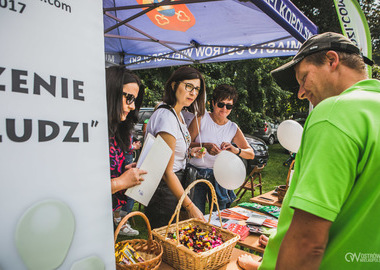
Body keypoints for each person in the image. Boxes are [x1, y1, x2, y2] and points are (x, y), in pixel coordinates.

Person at [238, 32, 379, 269]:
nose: (301, 92)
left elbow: (307, 243)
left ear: (332, 60)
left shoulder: (334, 112)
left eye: (304, 78)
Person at [145, 66, 207, 229]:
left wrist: (189, 152)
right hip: (164, 193)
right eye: (189, 86)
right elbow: (166, 171)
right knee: (166, 247)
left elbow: (172, 152)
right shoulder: (166, 117)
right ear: (174, 85)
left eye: (197, 89)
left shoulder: (176, 114)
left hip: (173, 188)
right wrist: (190, 206)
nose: (193, 93)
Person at [188, 84, 254, 213]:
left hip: (221, 176)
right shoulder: (201, 118)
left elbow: (250, 154)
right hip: (197, 173)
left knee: (220, 214)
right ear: (213, 103)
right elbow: (184, 143)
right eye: (221, 104)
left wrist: (235, 150)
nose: (224, 109)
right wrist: (204, 145)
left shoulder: (232, 127)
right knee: (195, 213)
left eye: (229, 106)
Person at [106, 66, 147, 236]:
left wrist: (123, 172)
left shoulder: (118, 131)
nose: (132, 106)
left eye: (135, 100)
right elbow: (79, 186)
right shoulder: (88, 130)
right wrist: (120, 182)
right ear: (111, 92)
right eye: (128, 98)